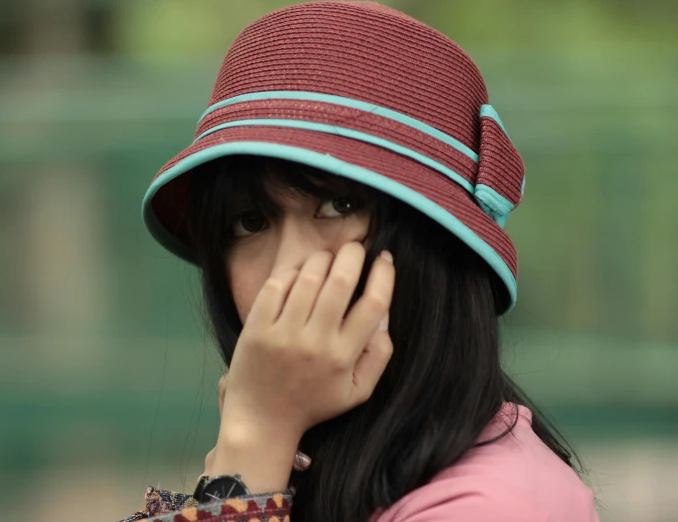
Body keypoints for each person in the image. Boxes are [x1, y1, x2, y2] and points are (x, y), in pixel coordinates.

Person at [121, 1, 600, 521]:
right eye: (250, 222)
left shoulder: (494, 505)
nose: (288, 270)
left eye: (339, 206)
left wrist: (252, 442)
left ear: (437, 243)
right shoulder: (306, 465)